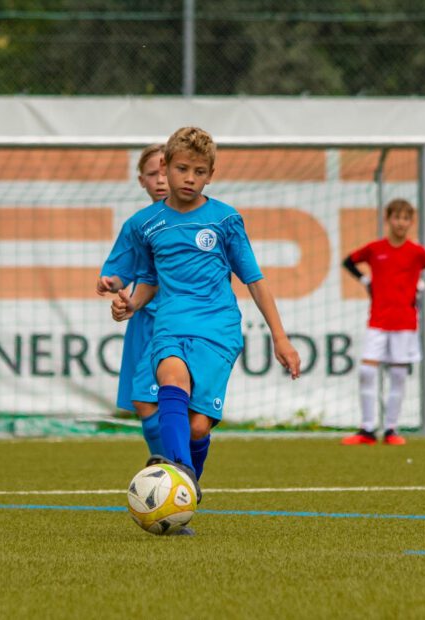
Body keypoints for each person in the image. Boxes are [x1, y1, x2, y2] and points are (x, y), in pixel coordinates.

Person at [112, 126, 301, 510]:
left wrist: (280, 338)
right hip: (169, 324)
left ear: (211, 174)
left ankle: (183, 481)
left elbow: (255, 281)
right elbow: (149, 279)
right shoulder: (149, 224)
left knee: (198, 426)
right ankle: (180, 477)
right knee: (170, 377)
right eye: (182, 169)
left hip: (218, 329)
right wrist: (132, 304)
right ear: (165, 168)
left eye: (199, 172)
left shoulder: (225, 220)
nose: (190, 179)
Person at [341, 198, 425, 446]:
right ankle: (367, 429)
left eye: (405, 218)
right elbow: (349, 262)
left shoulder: (416, 252)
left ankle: (391, 429)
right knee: (367, 371)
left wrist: (423, 285)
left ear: (411, 222)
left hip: (405, 322)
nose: (401, 223)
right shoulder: (375, 249)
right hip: (378, 320)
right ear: (387, 219)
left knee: (398, 376)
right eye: (396, 217)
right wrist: (365, 281)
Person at [96, 144, 169, 456]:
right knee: (144, 399)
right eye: (153, 174)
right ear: (142, 181)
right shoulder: (138, 225)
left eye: (168, 172)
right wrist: (111, 282)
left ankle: (175, 462)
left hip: (186, 320)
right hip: (147, 320)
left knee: (184, 406)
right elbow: (120, 272)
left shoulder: (203, 217)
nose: (162, 180)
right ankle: (163, 460)